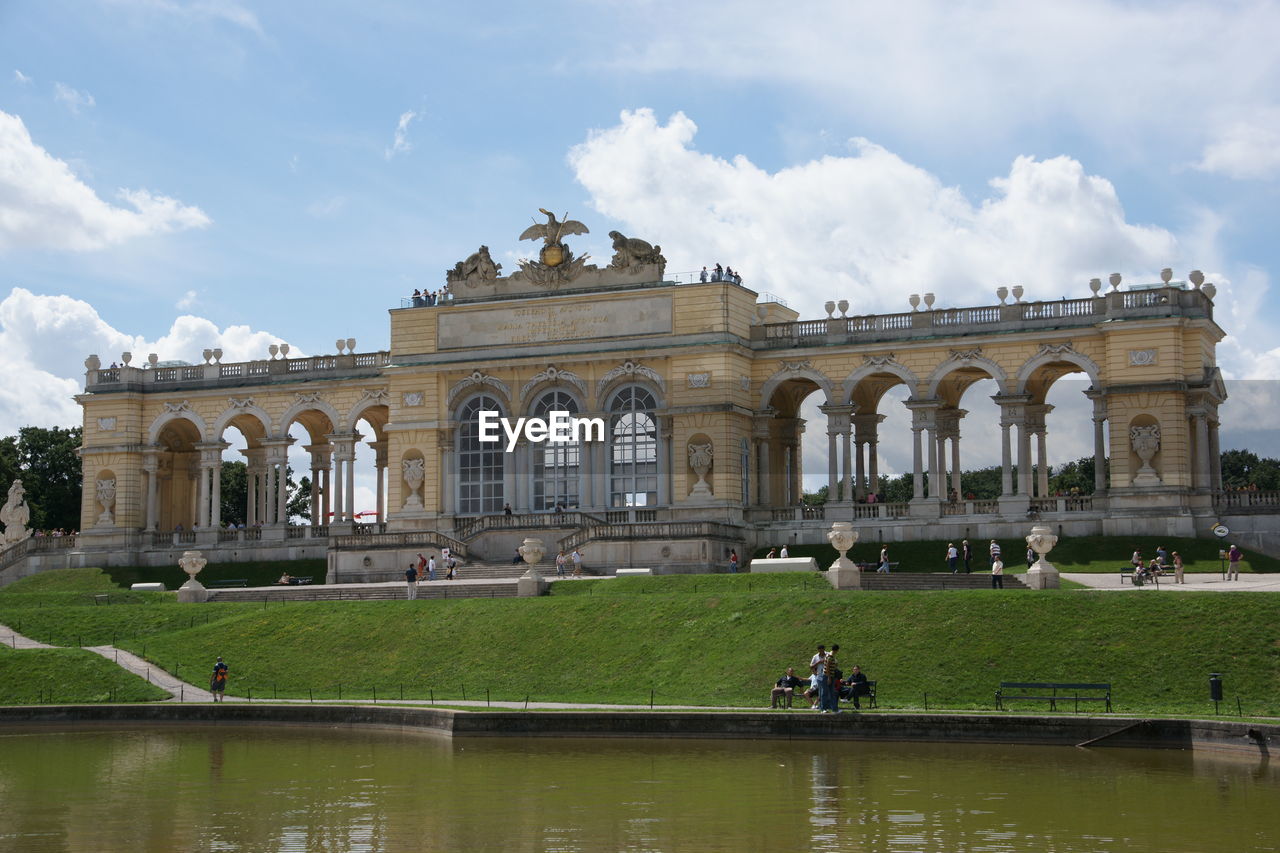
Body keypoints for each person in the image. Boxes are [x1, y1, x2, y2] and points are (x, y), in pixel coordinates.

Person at [820, 644, 841, 713]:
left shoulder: (829, 655)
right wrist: (829, 678)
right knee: (825, 693)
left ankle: (834, 709)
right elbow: (828, 667)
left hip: (830, 676)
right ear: (836, 650)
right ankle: (823, 709)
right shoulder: (830, 656)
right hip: (827, 676)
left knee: (832, 693)